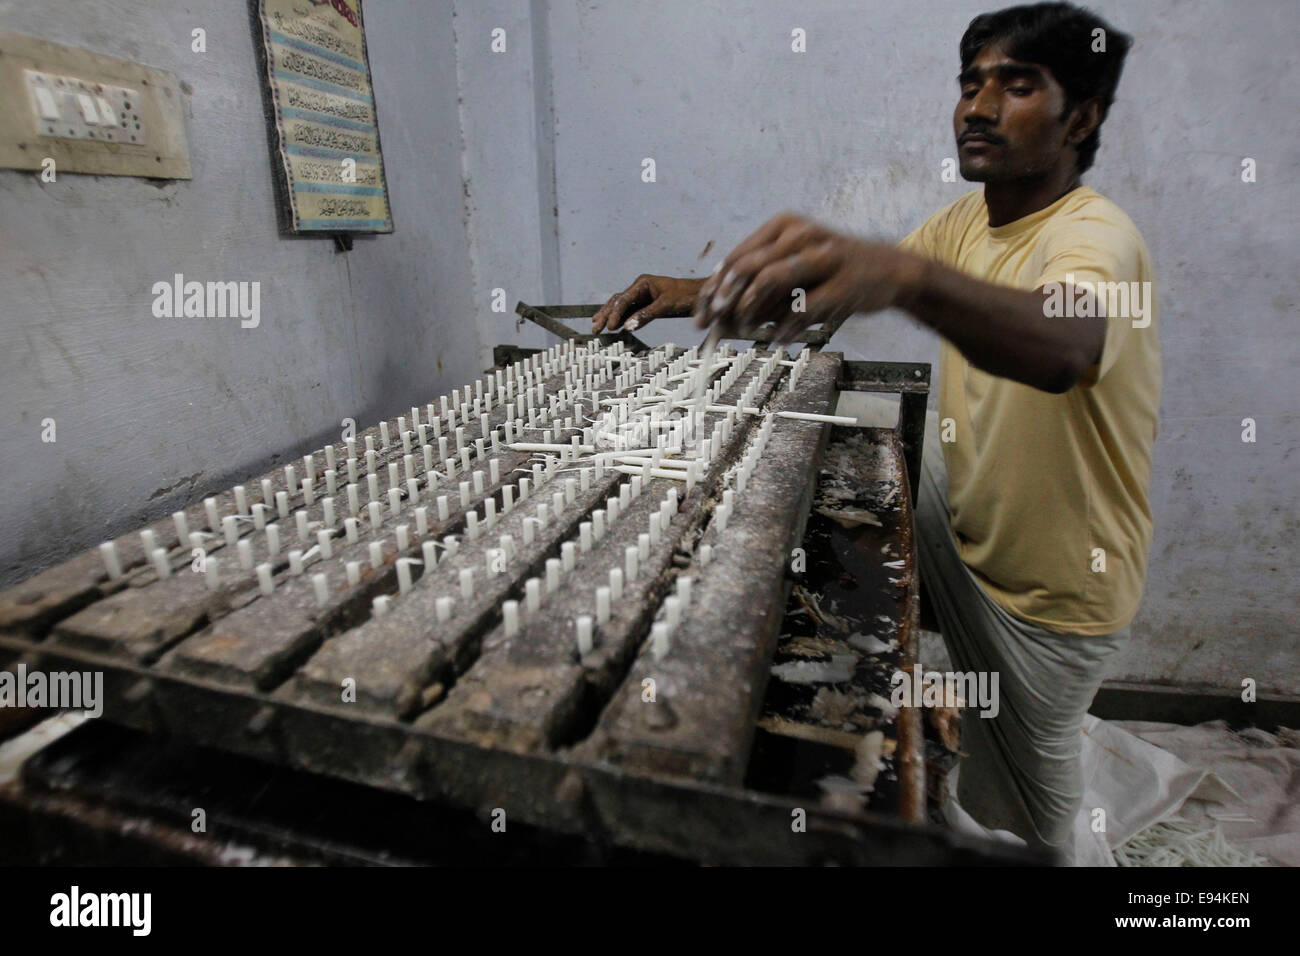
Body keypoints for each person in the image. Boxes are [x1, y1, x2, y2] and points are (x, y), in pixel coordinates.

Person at [590, 2, 1160, 858]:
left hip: (1048, 590)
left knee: (1034, 821)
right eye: (971, 84)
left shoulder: (1097, 238)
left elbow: (1064, 343)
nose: (978, 107)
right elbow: (827, 293)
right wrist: (692, 292)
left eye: (1016, 86)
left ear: (1080, 118)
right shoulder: (965, 225)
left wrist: (901, 275)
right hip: (961, 527)